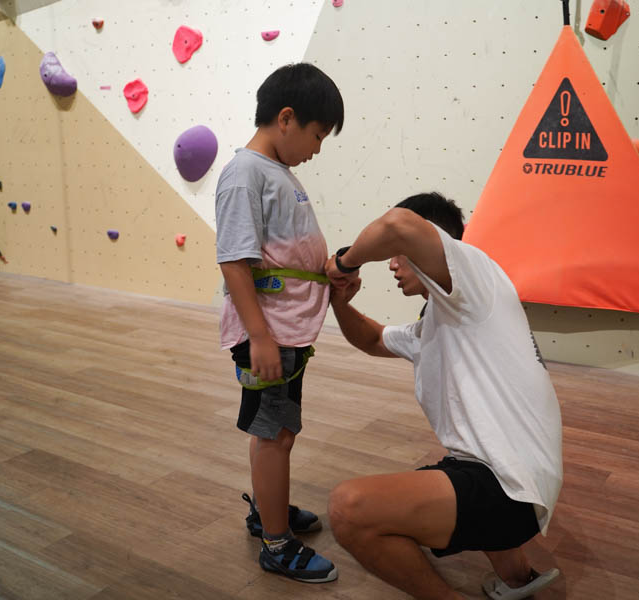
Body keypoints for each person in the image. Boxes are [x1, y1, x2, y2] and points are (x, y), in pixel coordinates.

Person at [323, 192, 563, 600]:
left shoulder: (474, 273)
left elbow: (397, 224)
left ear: (434, 242)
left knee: (348, 510)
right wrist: (339, 300)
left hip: (510, 487)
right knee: (461, 466)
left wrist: (345, 262)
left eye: (399, 255)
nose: (393, 264)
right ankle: (519, 577)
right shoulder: (437, 318)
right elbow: (372, 338)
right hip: (508, 480)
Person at [214, 62, 344, 584]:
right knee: (274, 436)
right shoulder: (245, 173)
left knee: (281, 430)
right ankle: (276, 542)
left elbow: (284, 253)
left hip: (286, 330)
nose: (316, 148)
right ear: (286, 118)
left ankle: (266, 510)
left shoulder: (276, 174)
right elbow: (234, 259)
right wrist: (260, 337)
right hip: (268, 334)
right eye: (316, 135)